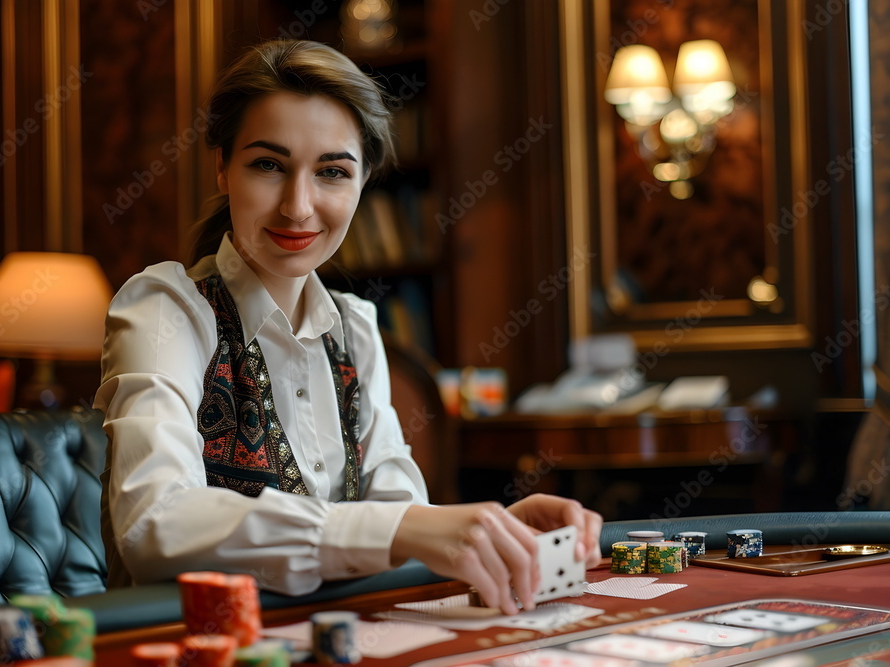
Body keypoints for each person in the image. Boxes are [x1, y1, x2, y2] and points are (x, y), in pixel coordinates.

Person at [95, 38, 602, 617]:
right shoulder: (165, 309)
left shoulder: (357, 331)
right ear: (221, 168)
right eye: (268, 165)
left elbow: (400, 515)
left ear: (363, 183)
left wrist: (491, 534)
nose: (299, 206)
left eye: (332, 172)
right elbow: (155, 525)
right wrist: (406, 532)